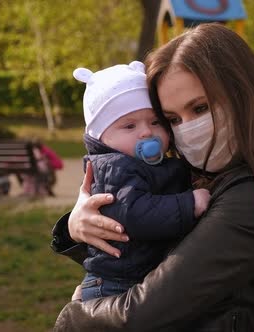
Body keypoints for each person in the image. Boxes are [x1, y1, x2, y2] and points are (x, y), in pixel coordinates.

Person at [50, 23, 254, 331]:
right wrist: (79, 224)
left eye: (201, 108)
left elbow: (140, 314)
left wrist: (74, 316)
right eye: (173, 119)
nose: (188, 128)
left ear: (243, 95)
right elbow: (144, 242)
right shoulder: (219, 169)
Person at [70, 61, 210, 301]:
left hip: (137, 278)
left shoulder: (150, 164)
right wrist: (188, 204)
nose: (146, 132)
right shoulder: (115, 166)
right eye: (129, 125)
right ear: (101, 136)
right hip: (116, 285)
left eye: (155, 122)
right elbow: (135, 213)